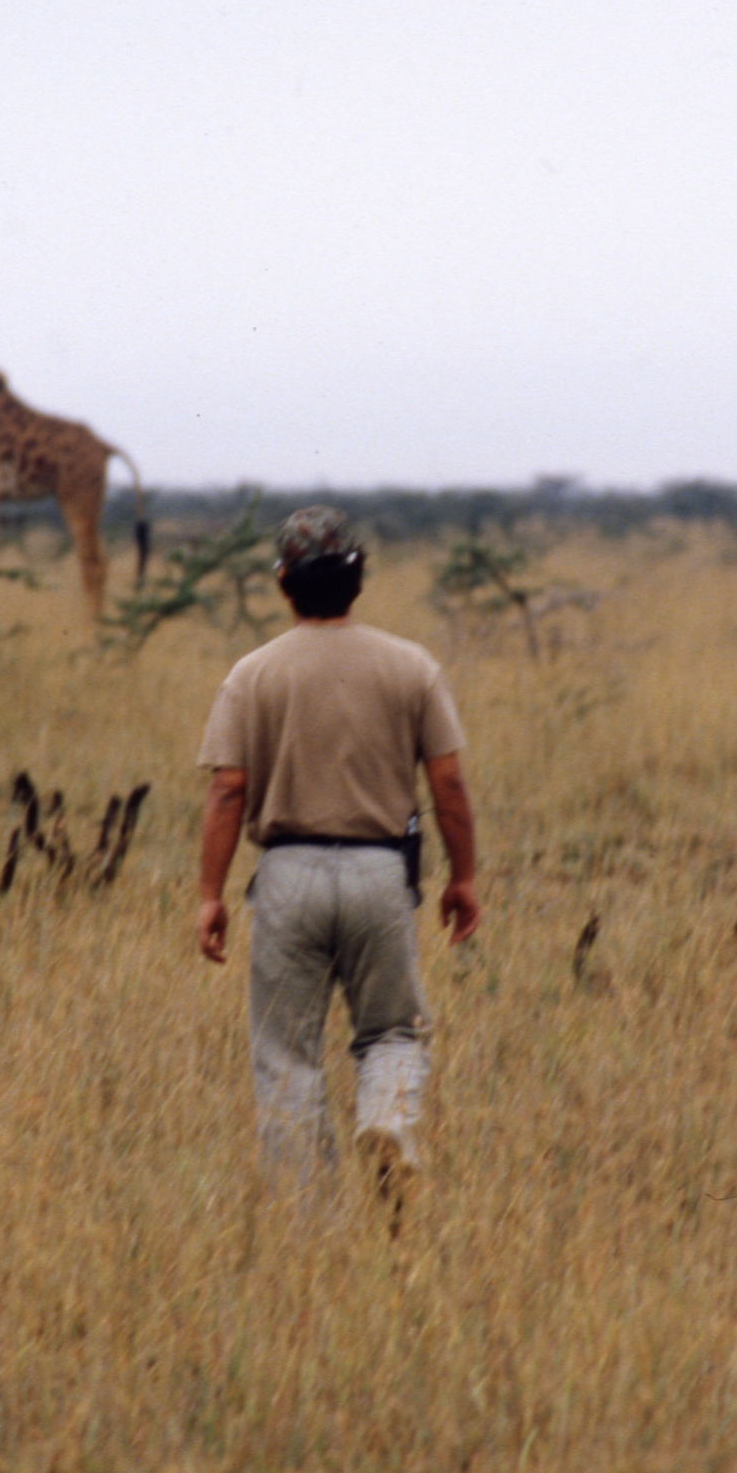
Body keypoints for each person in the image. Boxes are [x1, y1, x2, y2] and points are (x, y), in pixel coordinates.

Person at [196, 506, 479, 1219]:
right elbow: (447, 783)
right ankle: (387, 1121)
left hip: (286, 877)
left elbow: (228, 789)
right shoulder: (411, 665)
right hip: (382, 877)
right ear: (358, 578)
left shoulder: (251, 674)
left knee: (286, 1057)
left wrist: (209, 893)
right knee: (391, 1030)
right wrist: (463, 877)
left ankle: (309, 1225)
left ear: (284, 582)